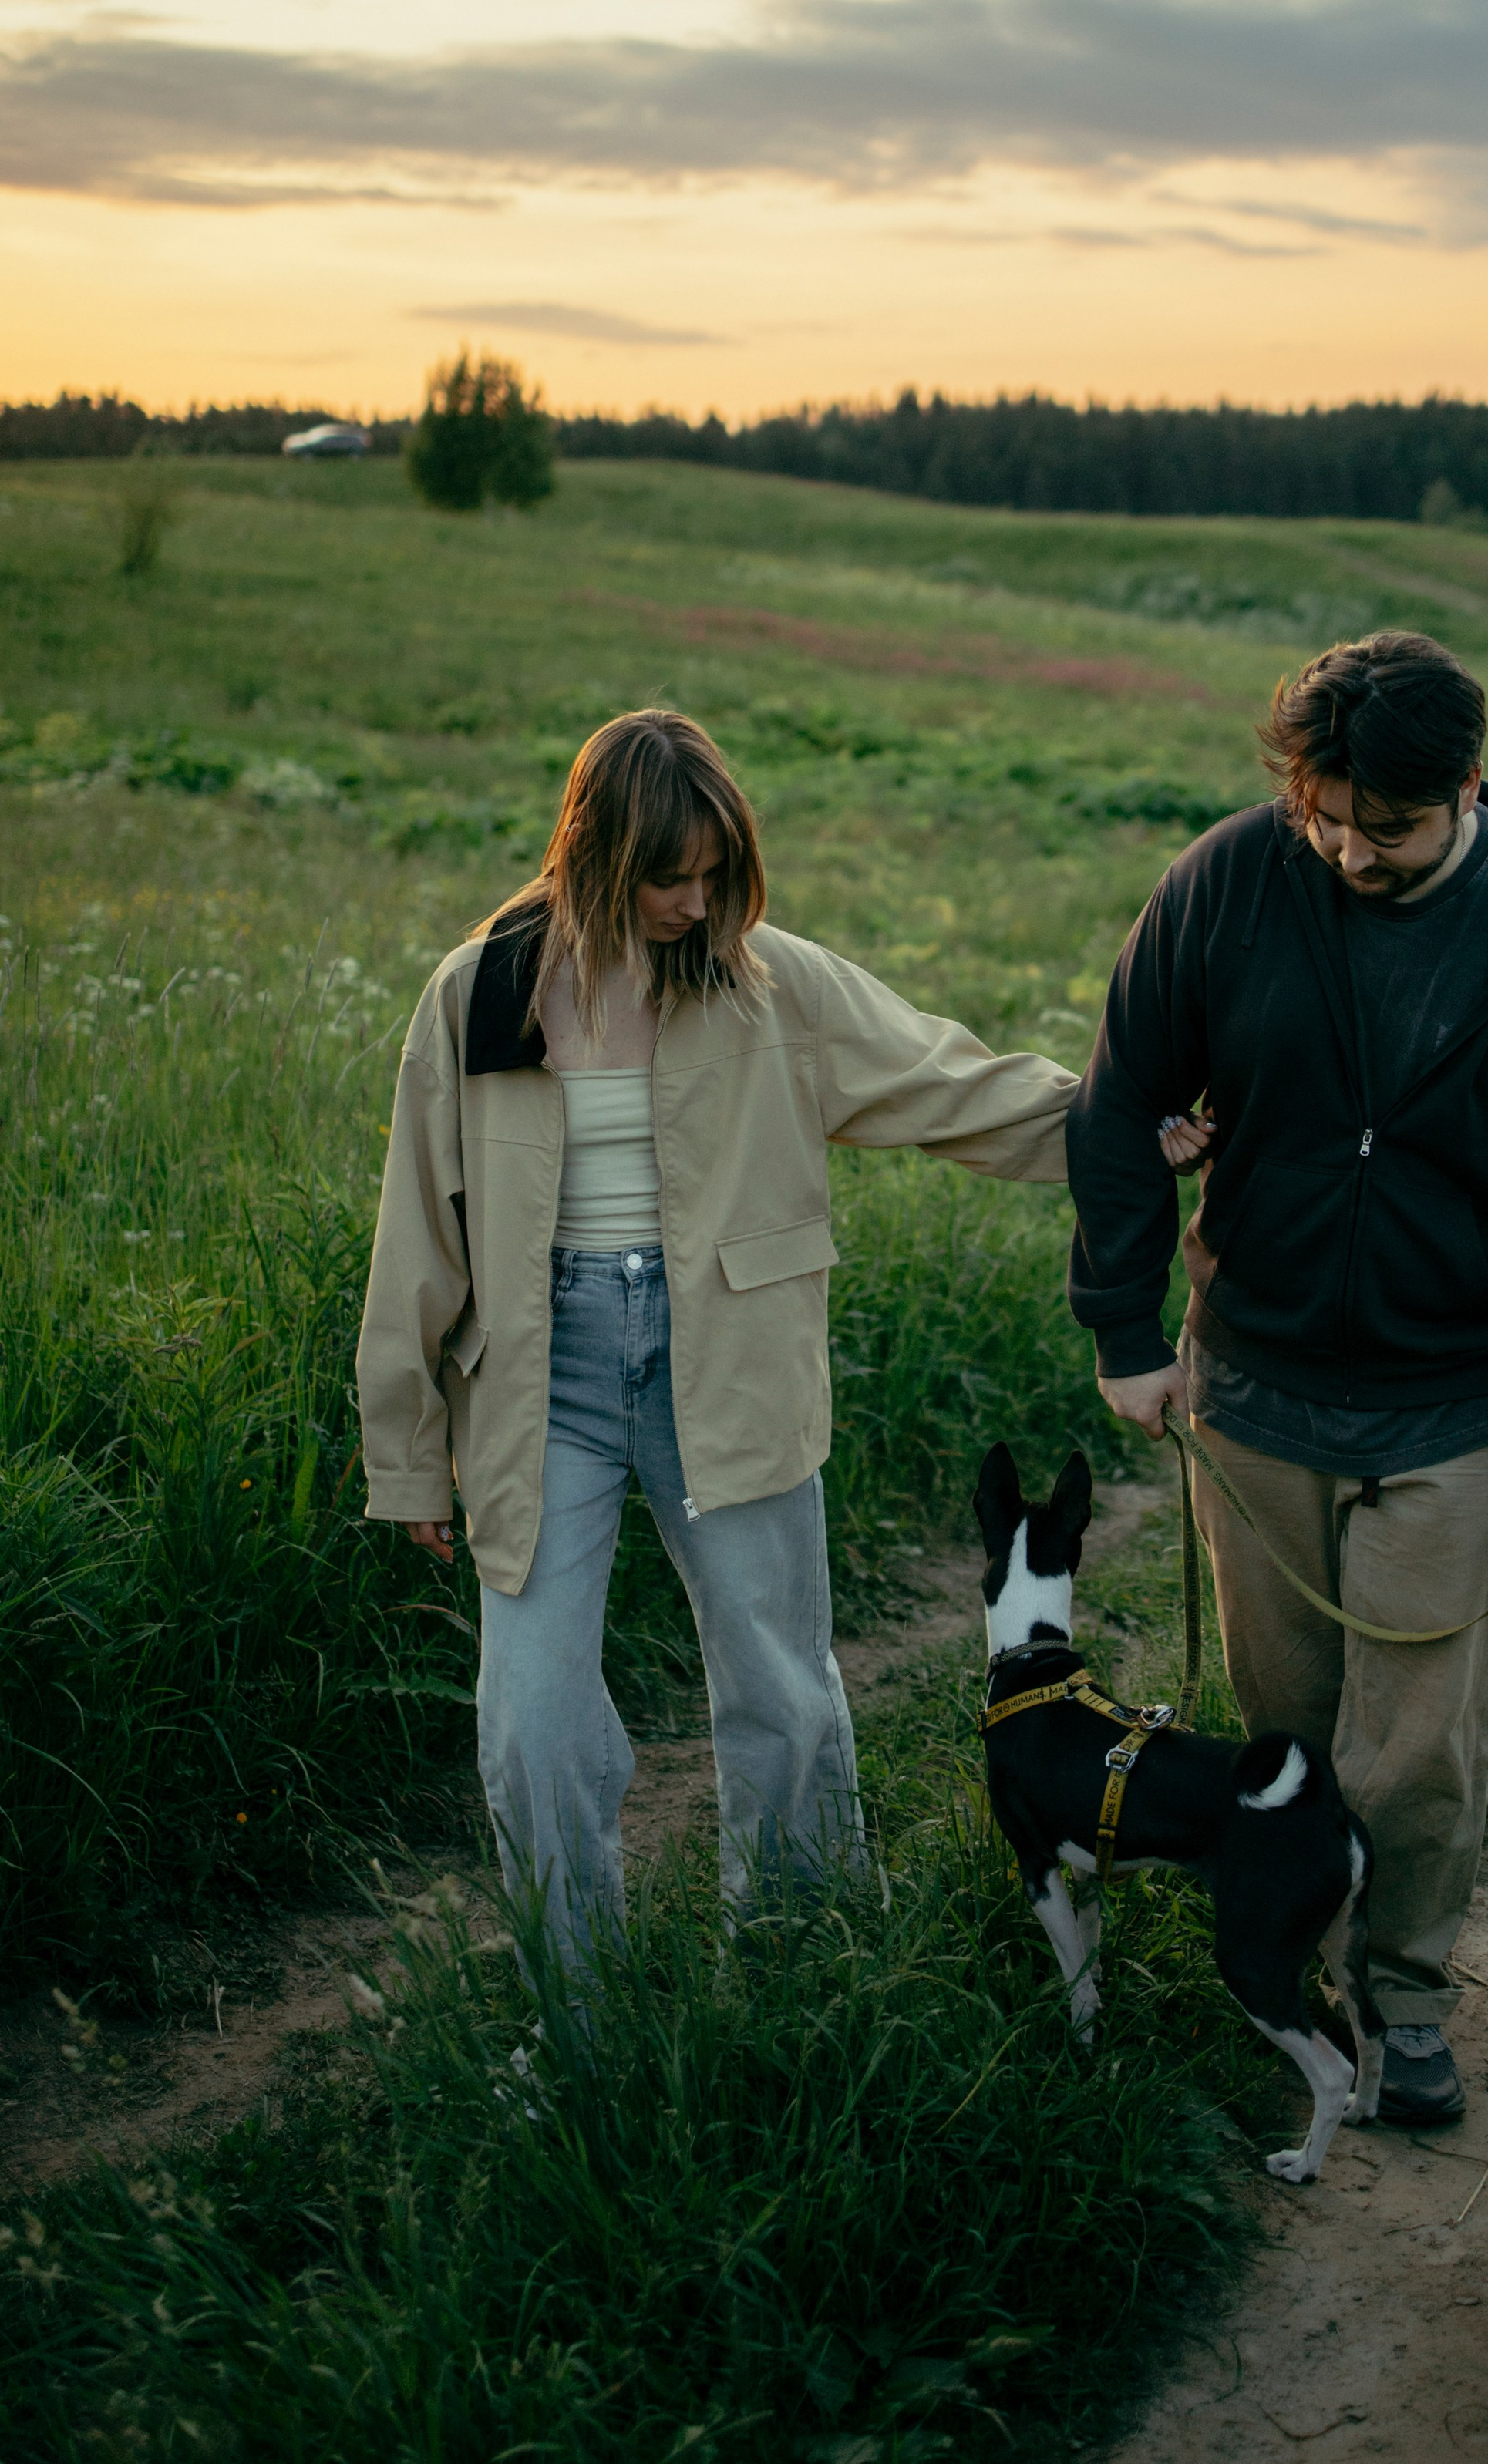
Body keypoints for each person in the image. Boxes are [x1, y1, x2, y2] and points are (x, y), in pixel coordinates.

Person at [1064, 631, 1488, 2127]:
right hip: (1255, 1381)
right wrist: (1126, 1331)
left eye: (1384, 827)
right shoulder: (1221, 882)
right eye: (1319, 815)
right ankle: (1287, 1972)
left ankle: (1402, 2002)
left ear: (1465, 786)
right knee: (1288, 1735)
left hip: (1462, 1401)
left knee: (1412, 1747)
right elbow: (1120, 1094)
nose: (1344, 850)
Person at [358, 708, 1076, 1969]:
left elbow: (942, 1081)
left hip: (731, 1358)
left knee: (780, 1687)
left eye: (714, 875)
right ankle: (573, 2010)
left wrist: (1123, 1134)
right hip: (542, 1383)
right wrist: (409, 1450)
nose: (697, 903)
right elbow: (418, 1236)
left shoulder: (769, 979)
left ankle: (802, 1968)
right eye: (668, 878)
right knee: (529, 1716)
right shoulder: (479, 993)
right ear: (591, 852)